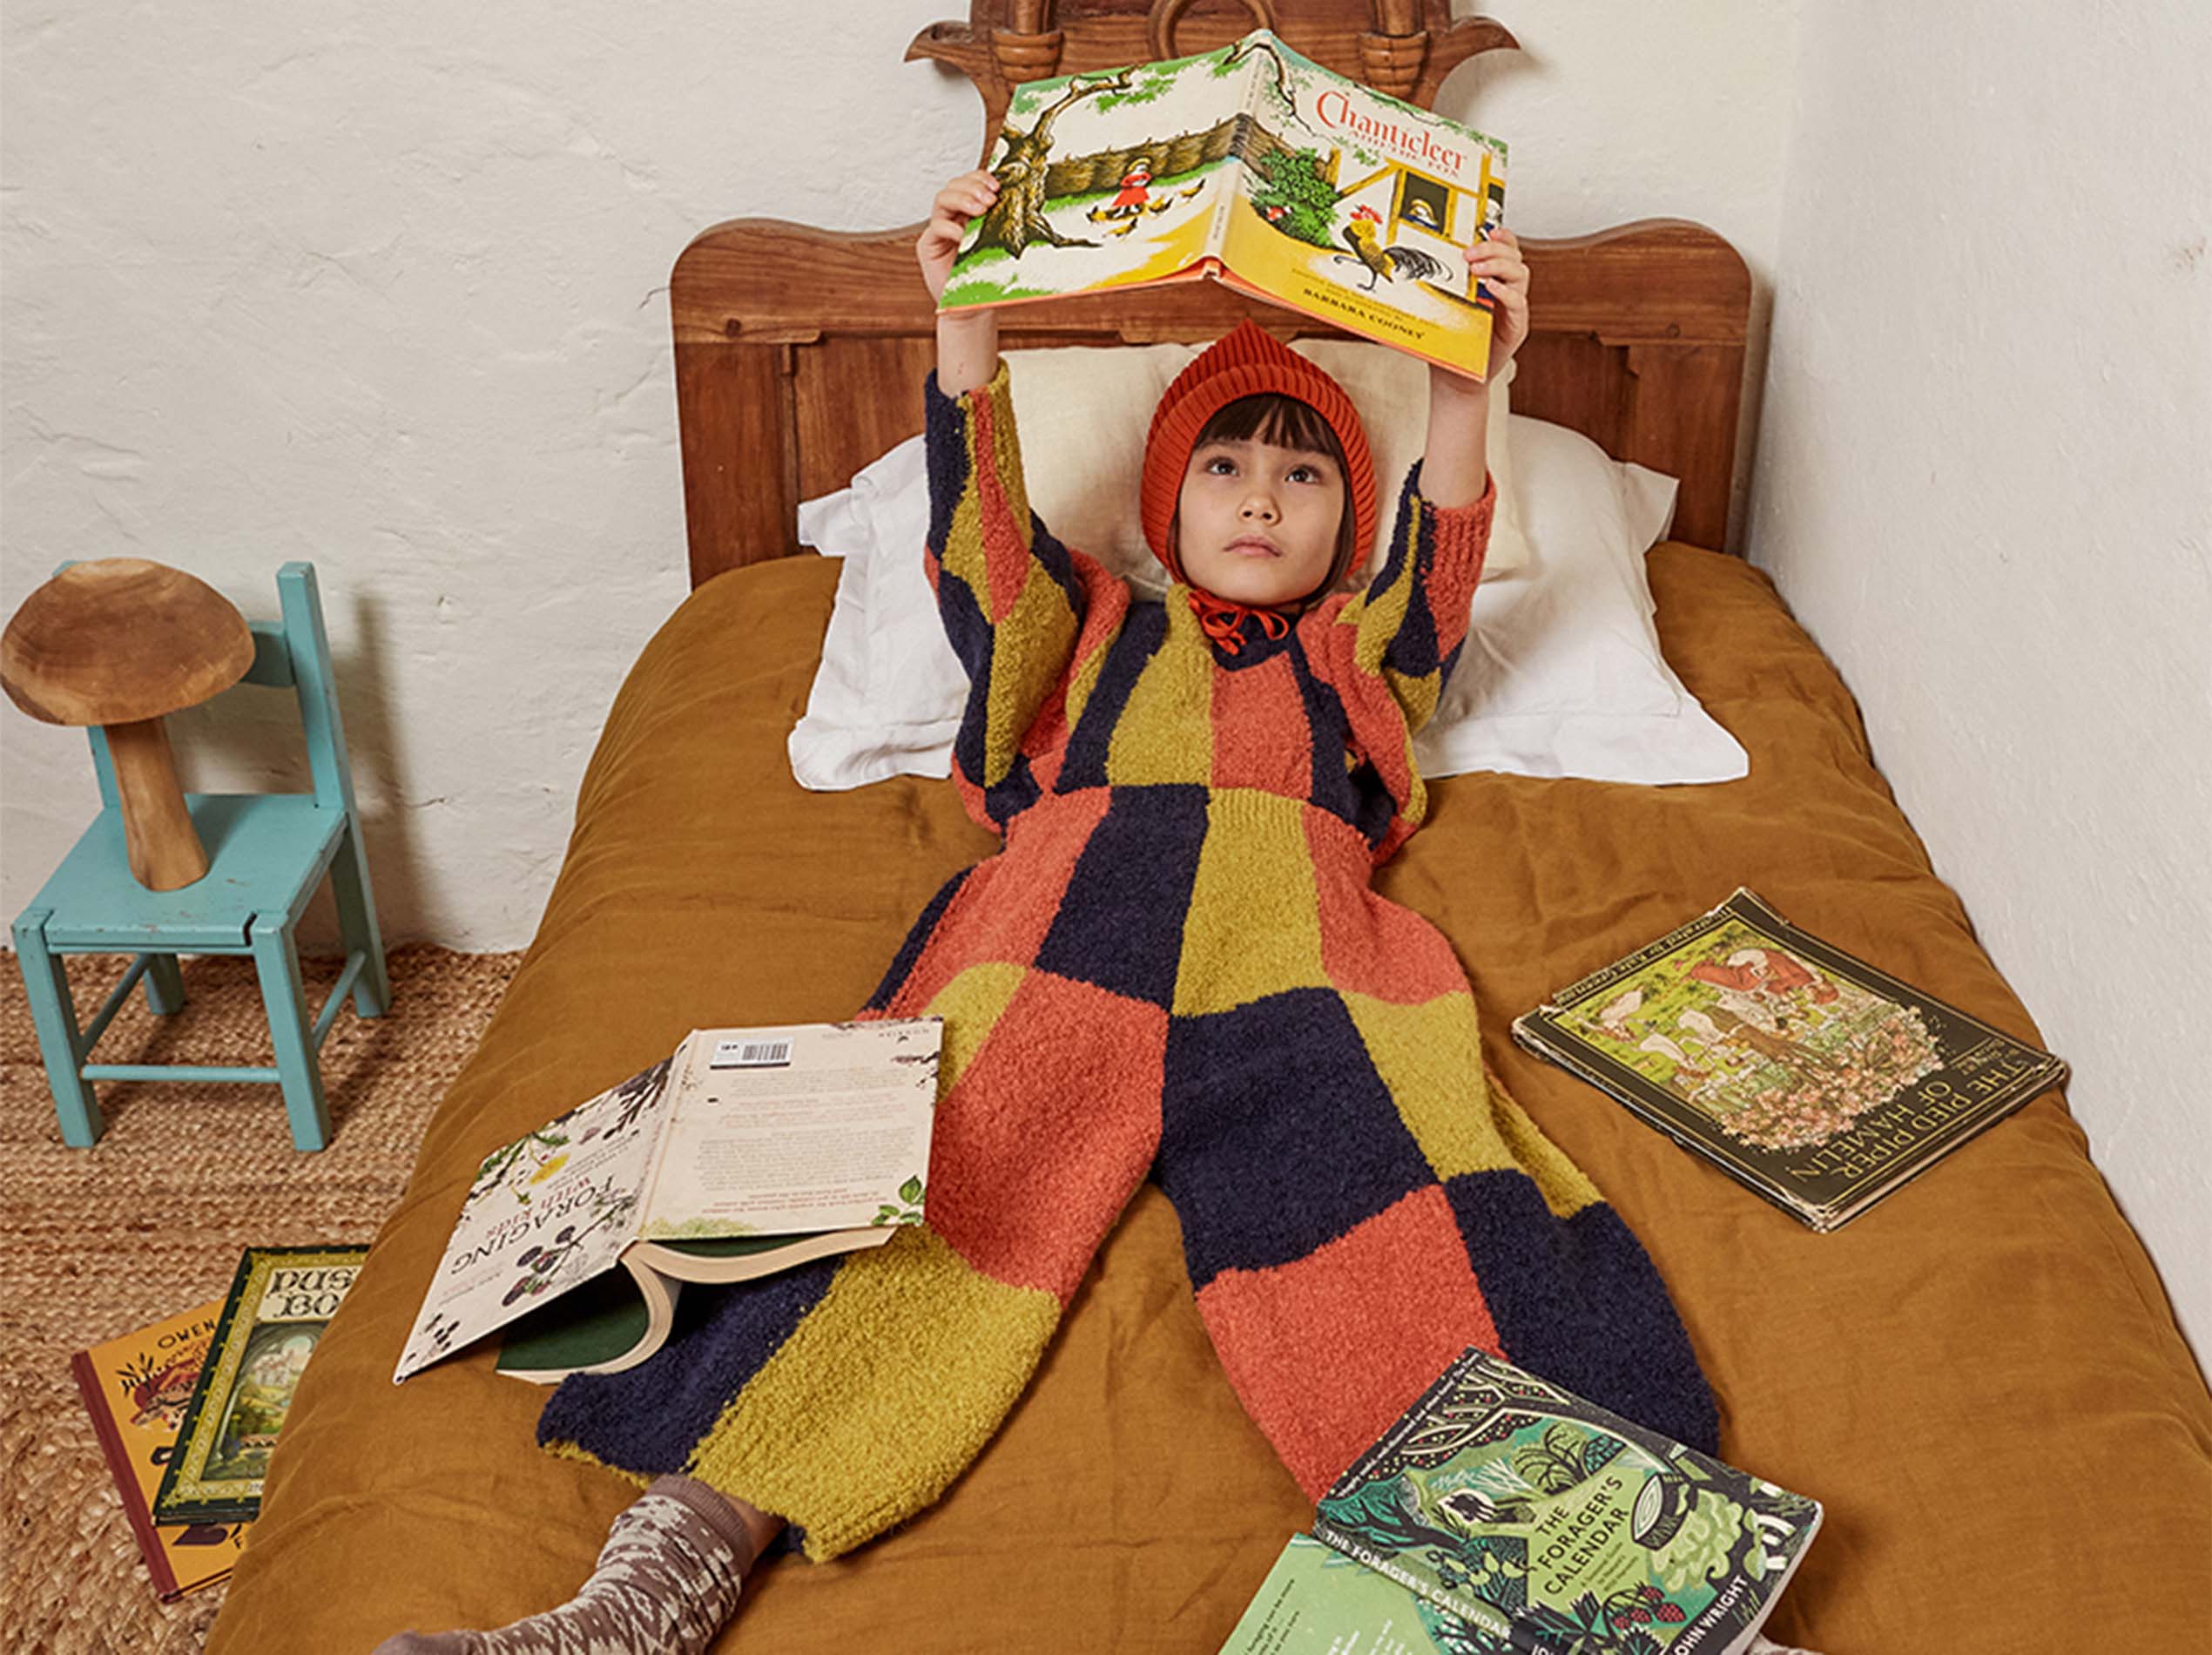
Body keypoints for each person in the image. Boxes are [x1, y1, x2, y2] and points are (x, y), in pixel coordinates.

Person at [377, 168, 1716, 1654]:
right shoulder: (1080, 629)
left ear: (1347, 521)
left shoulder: (1353, 657)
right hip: (1060, 928)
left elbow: (1441, 556)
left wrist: (1472, 372)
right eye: (1223, 467)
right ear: (1165, 501)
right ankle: (651, 1587)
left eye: (1304, 474)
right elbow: (982, 543)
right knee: (912, 1204)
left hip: (1303, 956)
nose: (1261, 495)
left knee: (1419, 1222)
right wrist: (967, 326)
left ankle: (1639, 1602)